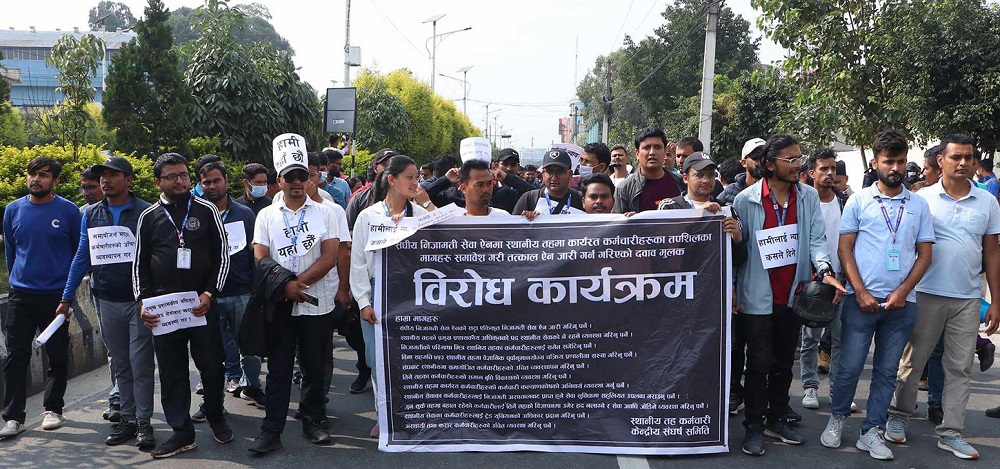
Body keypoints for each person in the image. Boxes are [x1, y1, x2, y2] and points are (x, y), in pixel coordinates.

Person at [820, 130, 935, 461]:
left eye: (901, 161)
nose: (896, 167)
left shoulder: (918, 204)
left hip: (902, 306)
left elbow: (924, 254)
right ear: (875, 163)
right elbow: (845, 250)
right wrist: (860, 290)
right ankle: (837, 418)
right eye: (889, 161)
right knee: (850, 366)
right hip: (861, 302)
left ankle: (871, 430)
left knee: (887, 371)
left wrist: (902, 292)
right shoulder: (858, 200)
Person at [732, 134, 846, 456]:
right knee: (757, 363)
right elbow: (739, 252)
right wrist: (734, 290)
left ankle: (776, 415)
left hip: (794, 296)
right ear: (771, 164)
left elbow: (817, 240)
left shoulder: (808, 197)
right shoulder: (746, 200)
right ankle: (753, 425)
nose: (799, 165)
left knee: (784, 362)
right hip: (757, 296)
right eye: (791, 160)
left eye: (800, 159)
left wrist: (825, 272)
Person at [888, 133, 1000, 460]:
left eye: (968, 157)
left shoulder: (987, 202)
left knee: (959, 368)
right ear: (942, 161)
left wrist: (995, 300)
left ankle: (951, 432)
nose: (963, 162)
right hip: (924, 295)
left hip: (967, 299)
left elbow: (992, 253)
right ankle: (898, 416)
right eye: (956, 157)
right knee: (913, 361)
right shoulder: (922, 199)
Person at [134, 152, 232, 458]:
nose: (180, 181)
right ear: (157, 181)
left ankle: (215, 415)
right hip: (165, 310)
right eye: (172, 176)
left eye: (184, 175)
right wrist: (143, 302)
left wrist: (210, 293)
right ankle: (182, 432)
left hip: (201, 304)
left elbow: (223, 257)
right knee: (173, 371)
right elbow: (138, 265)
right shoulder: (148, 217)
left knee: (212, 365)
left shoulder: (205, 210)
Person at [247, 142, 342, 453]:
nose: (297, 181)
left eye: (303, 175)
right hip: (280, 303)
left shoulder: (326, 213)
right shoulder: (266, 216)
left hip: (318, 304)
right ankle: (271, 430)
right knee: (278, 368)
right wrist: (284, 286)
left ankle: (314, 420)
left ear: (309, 179)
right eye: (291, 176)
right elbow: (260, 256)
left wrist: (295, 284)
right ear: (280, 180)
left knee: (315, 367)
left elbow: (330, 257)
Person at [59, 157, 156, 448]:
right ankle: (126, 418)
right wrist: (66, 297)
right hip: (106, 299)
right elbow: (81, 256)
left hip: (139, 301)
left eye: (113, 175)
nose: (106, 180)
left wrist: (152, 298)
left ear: (128, 179)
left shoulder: (147, 213)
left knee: (141, 364)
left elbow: (156, 258)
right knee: (121, 364)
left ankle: (144, 423)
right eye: (103, 175)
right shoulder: (90, 214)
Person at [0, 157, 81, 439]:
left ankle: (53, 409)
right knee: (15, 357)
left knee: (57, 355)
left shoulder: (69, 211)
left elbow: (77, 255)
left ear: (55, 181)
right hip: (21, 295)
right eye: (32, 174)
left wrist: (68, 297)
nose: (36, 180)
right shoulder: (13, 210)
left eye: (44, 175)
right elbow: (12, 251)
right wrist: (17, 280)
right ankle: (13, 417)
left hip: (56, 296)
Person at [351, 155, 430, 438]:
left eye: (417, 177)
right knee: (377, 361)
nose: (415, 182)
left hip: (411, 293)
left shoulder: (420, 217)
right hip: (376, 292)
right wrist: (363, 302)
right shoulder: (368, 216)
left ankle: (410, 414)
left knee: (410, 359)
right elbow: (358, 262)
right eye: (409, 177)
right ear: (391, 179)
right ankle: (384, 414)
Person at [196, 161, 264, 411]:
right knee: (210, 353)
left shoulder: (245, 214)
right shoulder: (197, 214)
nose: (212, 186)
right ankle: (212, 403)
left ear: (226, 180)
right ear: (200, 185)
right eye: (207, 182)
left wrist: (256, 289)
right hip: (207, 295)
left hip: (241, 291)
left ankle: (253, 386)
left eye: (216, 180)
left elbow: (254, 253)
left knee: (250, 347)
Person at [799, 149, 851, 413]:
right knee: (810, 338)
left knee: (841, 338)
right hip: (812, 281)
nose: (830, 173)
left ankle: (837, 390)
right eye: (824, 169)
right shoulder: (804, 202)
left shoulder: (846, 203)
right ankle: (810, 386)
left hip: (841, 280)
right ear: (811, 173)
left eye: (833, 169)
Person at [657, 153, 743, 243]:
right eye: (699, 175)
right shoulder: (669, 206)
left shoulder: (726, 210)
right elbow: (660, 243)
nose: (705, 180)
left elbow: (740, 253)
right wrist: (697, 215)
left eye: (710, 175)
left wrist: (737, 237)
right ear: (686, 178)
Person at [613, 127, 685, 214]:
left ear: (665, 151)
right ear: (637, 154)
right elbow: (617, 225)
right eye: (646, 148)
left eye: (657, 147)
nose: (652, 152)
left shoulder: (682, 182)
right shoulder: (624, 189)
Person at [512, 149, 585, 215]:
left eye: (560, 172)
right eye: (549, 172)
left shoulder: (581, 199)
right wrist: (526, 220)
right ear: (543, 174)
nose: (554, 177)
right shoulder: (529, 198)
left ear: (570, 174)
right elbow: (513, 228)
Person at [346, 148, 397, 231]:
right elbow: (348, 230)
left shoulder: (408, 197)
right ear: (375, 168)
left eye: (394, 165)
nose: (389, 168)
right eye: (385, 164)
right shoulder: (359, 200)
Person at [720, 138, 765, 207]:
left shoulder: (776, 191)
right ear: (744, 163)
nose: (761, 161)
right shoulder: (731, 191)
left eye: (765, 157)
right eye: (756, 156)